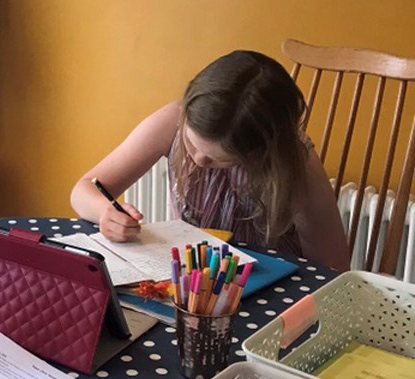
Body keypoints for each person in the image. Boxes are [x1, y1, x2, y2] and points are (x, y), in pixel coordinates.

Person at [71, 50, 350, 272]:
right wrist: (105, 212)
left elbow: (332, 267)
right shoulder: (172, 121)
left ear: (260, 153)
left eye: (220, 160)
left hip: (270, 288)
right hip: (196, 277)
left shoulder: (295, 160)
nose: (199, 160)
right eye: (191, 143)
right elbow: (83, 191)